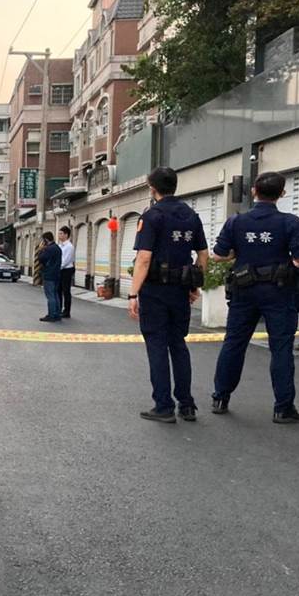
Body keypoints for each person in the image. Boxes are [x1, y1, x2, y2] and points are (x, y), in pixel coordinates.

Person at [210, 171, 299, 424]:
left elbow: (218, 255)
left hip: (243, 291)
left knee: (234, 343)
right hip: (279, 293)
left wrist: (239, 254)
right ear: (282, 193)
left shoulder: (236, 222)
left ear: (254, 191)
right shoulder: (290, 222)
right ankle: (283, 408)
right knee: (281, 348)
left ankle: (220, 398)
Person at [128, 167, 208, 423]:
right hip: (180, 291)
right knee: (178, 345)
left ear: (152, 188)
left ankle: (163, 406)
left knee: (157, 346)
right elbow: (203, 255)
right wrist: (194, 285)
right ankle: (186, 404)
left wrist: (133, 294)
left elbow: (144, 258)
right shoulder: (191, 216)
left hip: (155, 291)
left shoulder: (152, 216)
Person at [38, 232, 62, 322]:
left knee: (50, 296)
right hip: (57, 274)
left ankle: (51, 315)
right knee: (55, 294)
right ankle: (57, 314)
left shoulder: (49, 249)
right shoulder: (57, 248)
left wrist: (41, 250)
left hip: (49, 275)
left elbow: (41, 258)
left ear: (46, 240)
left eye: (43, 240)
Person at [57, 226, 75, 318]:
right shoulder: (60, 245)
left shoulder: (69, 246)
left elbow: (65, 261)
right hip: (60, 270)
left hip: (66, 270)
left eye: (61, 233)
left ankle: (67, 311)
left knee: (66, 291)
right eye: (59, 233)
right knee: (58, 290)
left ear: (66, 235)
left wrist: (58, 268)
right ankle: (59, 309)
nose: (59, 235)